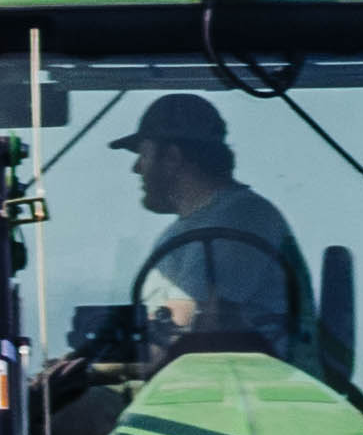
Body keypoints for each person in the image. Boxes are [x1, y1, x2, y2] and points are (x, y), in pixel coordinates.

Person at [115, 95, 308, 362]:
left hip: (247, 388)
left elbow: (183, 326)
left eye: (144, 154)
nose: (136, 168)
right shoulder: (180, 232)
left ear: (172, 157)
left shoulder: (242, 216)